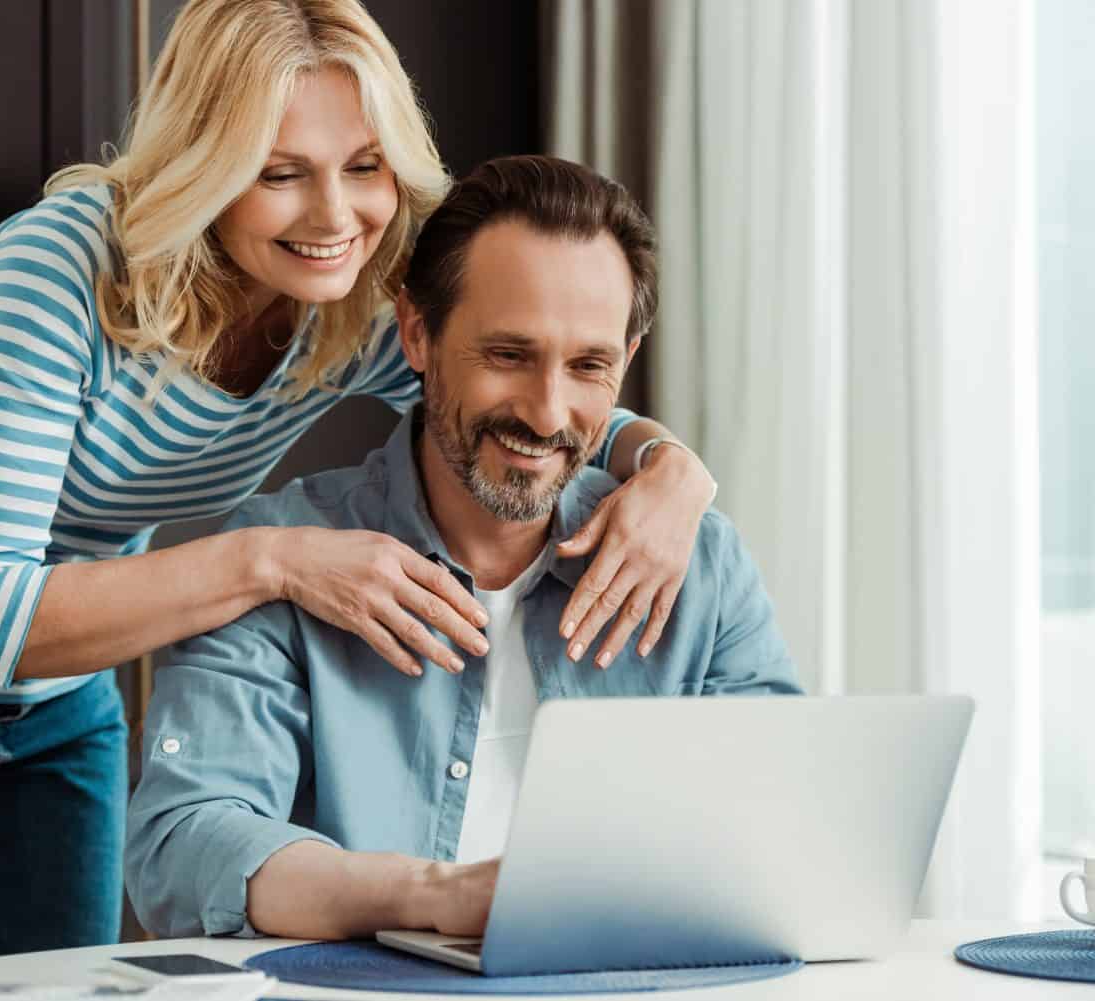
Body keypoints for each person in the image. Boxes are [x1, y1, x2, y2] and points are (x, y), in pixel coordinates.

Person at [0, 0, 718, 972]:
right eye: (281, 173)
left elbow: (520, 405)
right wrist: (272, 558)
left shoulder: (349, 300)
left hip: (61, 696)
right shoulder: (58, 275)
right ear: (205, 165)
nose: (335, 216)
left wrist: (671, 470)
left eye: (365, 167)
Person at [124, 155, 801, 940]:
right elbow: (184, 846)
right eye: (508, 356)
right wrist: (427, 894)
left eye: (589, 365)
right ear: (417, 332)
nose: (547, 415)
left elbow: (784, 828)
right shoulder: (279, 558)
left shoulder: (698, 561)